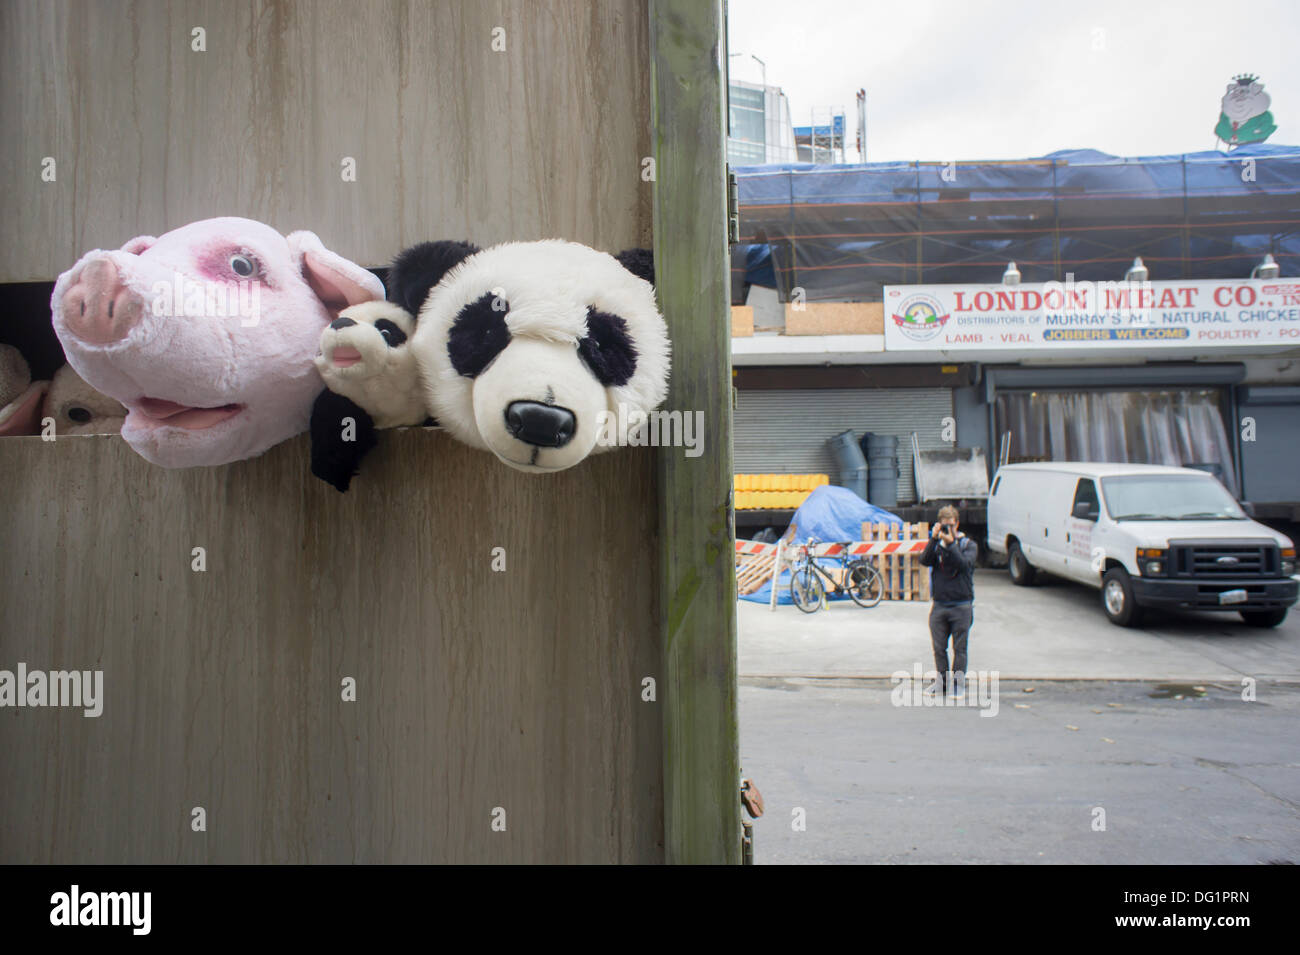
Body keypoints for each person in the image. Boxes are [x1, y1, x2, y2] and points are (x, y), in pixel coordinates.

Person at [918, 505, 977, 697]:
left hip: (961, 604)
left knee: (960, 648)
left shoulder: (968, 545)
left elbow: (964, 565)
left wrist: (951, 544)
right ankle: (941, 682)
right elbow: (924, 560)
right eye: (944, 526)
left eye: (950, 526)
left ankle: (958, 684)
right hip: (940, 604)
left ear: (957, 524)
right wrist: (934, 539)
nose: (947, 530)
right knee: (938, 647)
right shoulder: (938, 545)